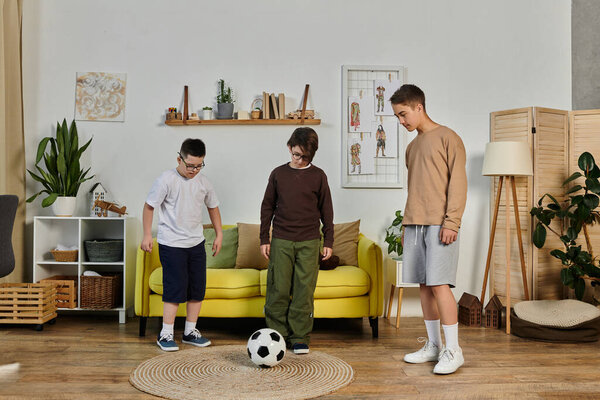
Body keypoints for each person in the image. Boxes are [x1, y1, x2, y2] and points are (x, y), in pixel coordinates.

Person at [390, 84, 467, 374]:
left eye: (403, 114)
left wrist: (452, 222)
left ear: (418, 107)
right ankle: (434, 346)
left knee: (439, 284)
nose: (401, 121)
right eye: (397, 116)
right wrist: (406, 223)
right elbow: (417, 189)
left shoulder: (449, 138)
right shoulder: (412, 147)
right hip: (415, 224)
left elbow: (458, 184)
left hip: (440, 224)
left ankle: (454, 349)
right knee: (423, 286)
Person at [141, 138, 223, 351]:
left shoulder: (204, 182)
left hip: (196, 243)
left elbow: (213, 208)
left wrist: (220, 234)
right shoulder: (166, 180)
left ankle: (190, 332)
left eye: (199, 165)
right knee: (175, 289)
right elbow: (149, 207)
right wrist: (147, 235)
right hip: (171, 244)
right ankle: (166, 334)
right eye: (190, 165)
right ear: (179, 158)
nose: (194, 170)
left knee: (197, 289)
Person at [260, 127, 334, 355]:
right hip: (281, 239)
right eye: (296, 155)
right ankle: (277, 336)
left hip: (309, 241)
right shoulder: (278, 174)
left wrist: (328, 241)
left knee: (303, 291)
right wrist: (265, 238)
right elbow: (267, 207)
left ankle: (300, 337)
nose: (300, 160)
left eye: (305, 157)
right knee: (278, 289)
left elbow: (326, 210)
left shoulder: (319, 176)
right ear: (289, 148)